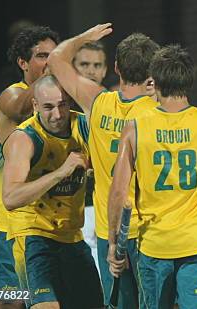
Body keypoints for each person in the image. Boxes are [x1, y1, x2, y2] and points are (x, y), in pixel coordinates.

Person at [107, 44, 197, 309]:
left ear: (153, 81)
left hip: (153, 245)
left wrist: (114, 244)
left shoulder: (134, 128)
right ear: (190, 81)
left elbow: (119, 194)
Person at [48, 23, 159, 308]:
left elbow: (56, 60)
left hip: (108, 227)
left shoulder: (97, 101)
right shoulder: (159, 112)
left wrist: (84, 38)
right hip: (151, 229)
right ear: (151, 73)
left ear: (117, 68)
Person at [0, 25, 59, 309]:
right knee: (9, 303)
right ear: (22, 63)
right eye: (42, 56)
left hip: (33, 220)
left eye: (55, 56)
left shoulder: (56, 104)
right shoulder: (13, 95)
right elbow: (22, 108)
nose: (50, 62)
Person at [2, 75, 102, 308]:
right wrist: (60, 172)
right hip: (33, 236)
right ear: (35, 106)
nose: (57, 114)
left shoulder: (84, 127)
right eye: (48, 107)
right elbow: (10, 198)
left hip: (71, 235)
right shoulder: (24, 139)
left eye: (63, 105)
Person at [71, 40, 108, 271]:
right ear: (72, 68)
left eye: (97, 65)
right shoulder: (56, 107)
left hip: (102, 210)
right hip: (67, 211)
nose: (91, 70)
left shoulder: (116, 108)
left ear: (105, 70)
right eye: (84, 64)